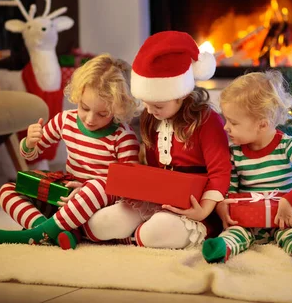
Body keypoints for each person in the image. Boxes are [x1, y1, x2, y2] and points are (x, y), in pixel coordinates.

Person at [84, 31, 232, 249]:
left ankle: (137, 236)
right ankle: (133, 234)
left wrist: (203, 209)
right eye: (146, 103)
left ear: (181, 94)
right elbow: (153, 169)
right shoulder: (151, 118)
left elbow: (220, 172)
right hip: (159, 199)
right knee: (101, 224)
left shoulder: (208, 121)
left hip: (196, 205)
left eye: (159, 106)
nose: (151, 111)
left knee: (155, 232)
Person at [0, 54, 140, 249]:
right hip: (64, 200)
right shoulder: (66, 120)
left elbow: (127, 188)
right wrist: (30, 143)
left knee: (97, 186)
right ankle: (54, 232)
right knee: (7, 190)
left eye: (102, 114)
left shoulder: (123, 137)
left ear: (118, 108)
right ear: (78, 96)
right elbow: (30, 154)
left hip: (96, 210)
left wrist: (86, 190)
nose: (90, 119)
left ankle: (37, 234)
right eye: (84, 107)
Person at [202, 71, 292, 266]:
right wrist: (223, 206)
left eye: (233, 122)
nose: (225, 128)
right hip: (247, 221)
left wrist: (291, 200)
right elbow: (231, 188)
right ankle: (220, 249)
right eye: (226, 120)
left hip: (284, 219)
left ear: (262, 125)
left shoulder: (288, 146)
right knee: (235, 233)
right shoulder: (235, 153)